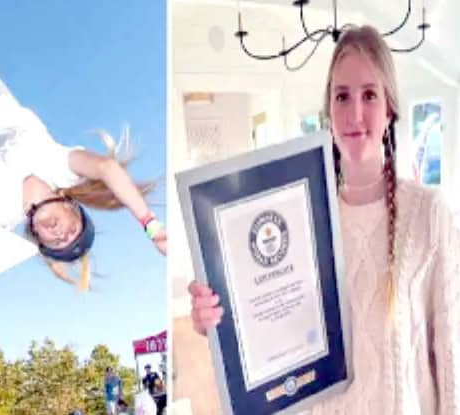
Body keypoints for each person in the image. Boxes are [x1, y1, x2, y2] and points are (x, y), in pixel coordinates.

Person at [188, 25, 459, 413]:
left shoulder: (428, 215)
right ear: (328, 111)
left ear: (390, 109)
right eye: (342, 96)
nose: (355, 114)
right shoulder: (305, 221)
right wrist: (217, 322)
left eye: (369, 95)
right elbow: (276, 337)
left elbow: (452, 360)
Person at [0, 1, 167, 375]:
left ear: (36, 234)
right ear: (70, 204)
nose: (58, 233)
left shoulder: (0, 211)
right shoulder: (62, 166)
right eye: (70, 230)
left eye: (53, 241)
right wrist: (150, 224)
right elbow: (106, 168)